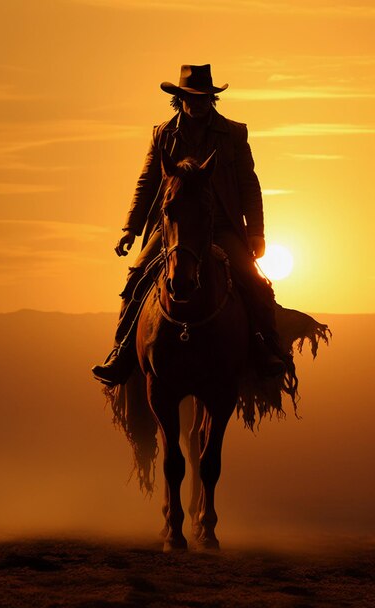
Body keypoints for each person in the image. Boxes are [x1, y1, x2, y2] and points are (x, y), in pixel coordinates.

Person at [92, 64, 285, 385]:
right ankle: (122, 351)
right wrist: (130, 228)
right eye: (191, 98)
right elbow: (147, 181)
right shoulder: (163, 134)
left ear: (212, 100)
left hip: (220, 225)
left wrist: (256, 232)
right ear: (179, 99)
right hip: (173, 228)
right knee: (137, 278)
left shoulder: (233, 134)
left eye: (204, 98)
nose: (197, 103)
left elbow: (249, 184)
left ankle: (267, 347)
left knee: (254, 283)